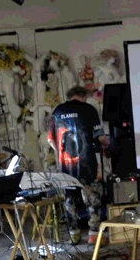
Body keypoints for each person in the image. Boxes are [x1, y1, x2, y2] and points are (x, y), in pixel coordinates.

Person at [47, 86, 111, 244]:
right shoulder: (89, 109)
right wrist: (109, 142)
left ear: (70, 95)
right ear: (83, 96)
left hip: (65, 165)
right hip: (86, 163)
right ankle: (93, 234)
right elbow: (100, 137)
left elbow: (50, 139)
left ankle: (73, 234)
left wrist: (60, 154)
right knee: (92, 197)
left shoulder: (57, 111)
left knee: (69, 199)